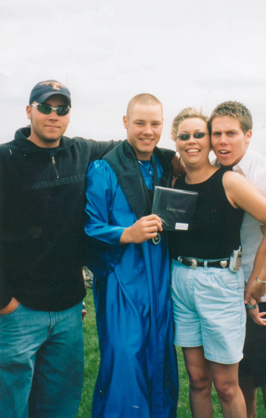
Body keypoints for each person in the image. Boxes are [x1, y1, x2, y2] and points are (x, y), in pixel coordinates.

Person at [0, 80, 128, 418]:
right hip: (18, 311)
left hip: (69, 311)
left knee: (59, 406)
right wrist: (4, 302)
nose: (53, 115)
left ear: (69, 115)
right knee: (9, 405)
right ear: (29, 111)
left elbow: (131, 146)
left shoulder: (81, 151)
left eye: (62, 108)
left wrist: (190, 163)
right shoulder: (4, 160)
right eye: (45, 107)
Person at [168, 107, 266, 418]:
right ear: (175, 140)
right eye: (184, 136)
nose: (193, 141)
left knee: (226, 385)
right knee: (197, 381)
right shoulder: (174, 182)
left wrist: (259, 281)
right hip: (181, 282)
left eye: (200, 135)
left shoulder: (230, 180)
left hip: (220, 283)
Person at [85, 94, 178, 418]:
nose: (148, 131)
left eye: (155, 124)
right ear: (126, 122)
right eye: (140, 123)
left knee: (158, 356)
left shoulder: (164, 164)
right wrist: (126, 233)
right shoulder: (104, 169)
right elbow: (89, 226)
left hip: (158, 278)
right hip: (121, 279)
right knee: (125, 358)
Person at [209, 101, 266, 418]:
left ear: (248, 135)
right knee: (242, 368)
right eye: (216, 133)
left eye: (231, 133)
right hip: (229, 287)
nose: (222, 141)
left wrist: (259, 283)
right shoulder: (213, 171)